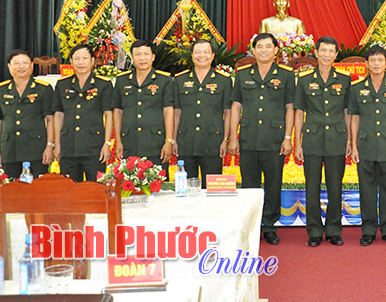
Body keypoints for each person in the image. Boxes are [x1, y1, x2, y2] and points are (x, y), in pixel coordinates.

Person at [228, 33, 295, 245]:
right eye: (260, 47)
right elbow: (236, 107)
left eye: (268, 47)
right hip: (248, 138)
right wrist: (232, 137)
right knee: (250, 186)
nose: (264, 50)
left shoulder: (286, 75)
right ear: (253, 50)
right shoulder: (242, 75)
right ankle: (252, 226)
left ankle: (269, 226)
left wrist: (287, 137)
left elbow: (290, 108)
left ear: (276, 51)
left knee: (273, 184)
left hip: (274, 139)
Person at [348, 45, 386, 246]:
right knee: (366, 190)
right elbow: (354, 118)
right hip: (365, 146)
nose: (376, 64)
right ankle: (368, 230)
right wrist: (353, 145)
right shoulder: (357, 88)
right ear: (366, 63)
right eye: (372, 60)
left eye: (380, 60)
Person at [294, 36, 351, 247]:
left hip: (337, 139)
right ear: (316, 53)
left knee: (335, 186)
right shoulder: (304, 79)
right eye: (323, 51)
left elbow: (348, 112)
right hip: (312, 140)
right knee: (312, 187)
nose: (327, 55)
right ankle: (315, 231)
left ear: (336, 55)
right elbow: (299, 112)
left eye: (331, 51)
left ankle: (334, 229)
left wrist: (349, 140)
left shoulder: (344, 80)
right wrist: (298, 143)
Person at [174, 39, 232, 188]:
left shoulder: (223, 80)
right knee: (186, 189)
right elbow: (177, 112)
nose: (202, 56)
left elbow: (228, 112)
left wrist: (225, 139)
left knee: (212, 189)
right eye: (197, 52)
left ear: (212, 55)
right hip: (186, 142)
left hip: (212, 142)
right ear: (192, 55)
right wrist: (173, 139)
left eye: (206, 52)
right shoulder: (179, 80)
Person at [52, 44, 114, 181]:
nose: (81, 62)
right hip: (69, 146)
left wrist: (107, 143)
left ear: (92, 61)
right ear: (71, 61)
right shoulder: (62, 84)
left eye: (85, 58)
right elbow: (59, 115)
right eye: (77, 58)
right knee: (69, 189)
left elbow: (109, 115)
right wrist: (58, 144)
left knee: (96, 189)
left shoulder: (103, 84)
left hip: (94, 147)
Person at [112, 39, 175, 169]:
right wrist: (118, 141)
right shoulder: (122, 80)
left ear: (153, 57)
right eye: (138, 54)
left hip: (155, 144)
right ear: (132, 58)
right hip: (129, 143)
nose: (142, 58)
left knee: (158, 180)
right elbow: (118, 111)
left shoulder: (164, 80)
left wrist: (169, 141)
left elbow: (168, 111)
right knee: (128, 180)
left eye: (146, 54)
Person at [0, 50, 54, 178]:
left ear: (31, 65)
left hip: (35, 150)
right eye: (16, 63)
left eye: (25, 63)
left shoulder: (43, 89)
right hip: (9, 150)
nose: (21, 66)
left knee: (37, 188)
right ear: (9, 66)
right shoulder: (2, 89)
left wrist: (49, 146)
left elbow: (50, 119)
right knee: (10, 187)